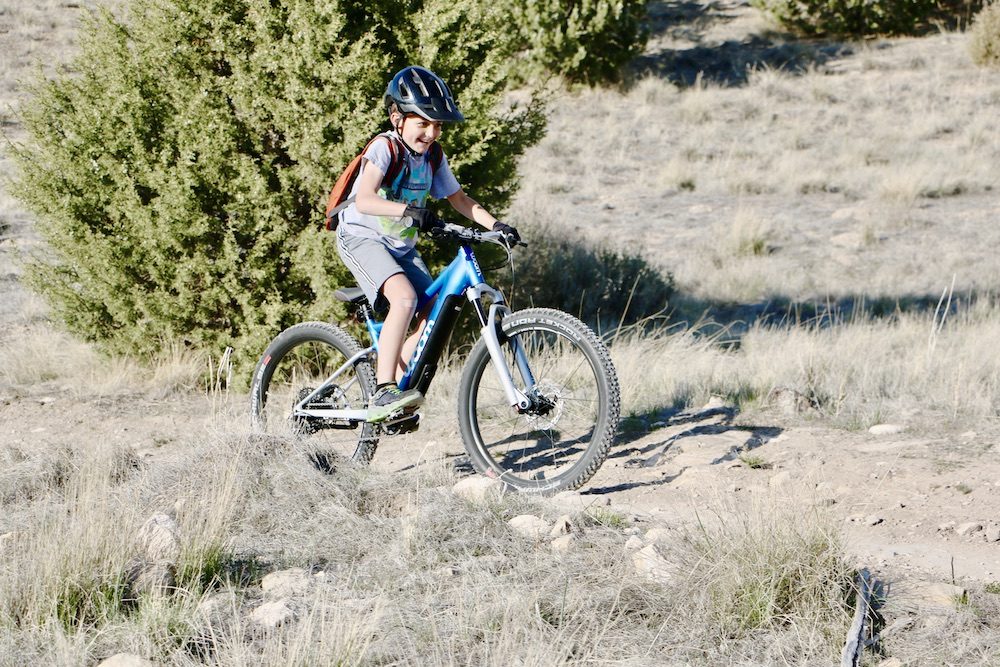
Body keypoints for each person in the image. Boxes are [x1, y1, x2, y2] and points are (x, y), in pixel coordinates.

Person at [335, 65, 520, 423]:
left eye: (437, 125)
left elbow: (459, 199)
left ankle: (398, 396)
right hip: (362, 237)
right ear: (397, 118)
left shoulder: (433, 157)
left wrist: (496, 225)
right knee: (404, 298)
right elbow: (365, 200)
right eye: (422, 123)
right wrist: (410, 211)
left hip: (400, 248)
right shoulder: (384, 148)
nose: (431, 132)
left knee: (431, 313)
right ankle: (383, 390)